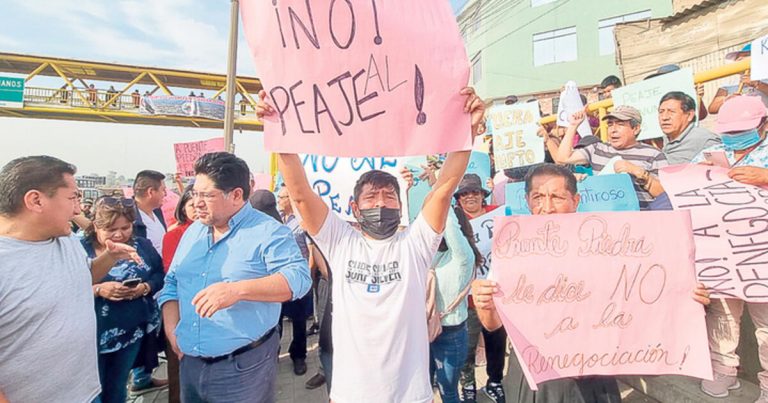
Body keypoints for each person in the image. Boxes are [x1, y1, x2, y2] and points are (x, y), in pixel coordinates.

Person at [262, 85, 486, 403]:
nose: (381, 202)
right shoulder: (340, 242)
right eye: (371, 196)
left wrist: (467, 133)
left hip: (411, 395)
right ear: (355, 208)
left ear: (400, 204)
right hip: (351, 395)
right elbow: (300, 193)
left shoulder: (416, 244)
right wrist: (279, 134)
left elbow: (444, 189)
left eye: (389, 195)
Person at [471, 163, 711, 403]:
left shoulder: (606, 245)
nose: (547, 207)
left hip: (595, 373)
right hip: (537, 376)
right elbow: (493, 326)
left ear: (575, 200)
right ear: (527, 200)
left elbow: (641, 295)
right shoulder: (512, 249)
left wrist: (685, 297)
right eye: (538, 197)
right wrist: (486, 306)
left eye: (556, 197)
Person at [158, 152, 311, 403]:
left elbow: (298, 279)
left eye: (206, 195)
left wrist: (237, 290)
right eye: (194, 193)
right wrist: (171, 327)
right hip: (190, 363)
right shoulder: (193, 232)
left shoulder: (268, 231)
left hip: (242, 369)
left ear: (236, 195)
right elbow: (172, 282)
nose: (196, 202)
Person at [0, 156, 141, 403]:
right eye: (72, 198)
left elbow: (79, 278)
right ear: (35, 200)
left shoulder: (66, 241)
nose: (78, 209)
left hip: (85, 393)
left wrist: (110, 257)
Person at [691, 96, 768, 402]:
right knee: (722, 315)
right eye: (730, 132)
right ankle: (724, 371)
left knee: (766, 325)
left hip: (761, 255)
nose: (734, 138)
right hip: (721, 253)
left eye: (742, 131)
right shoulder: (713, 152)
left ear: (763, 125)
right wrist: (698, 173)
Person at [81, 197, 164, 403]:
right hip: (90, 336)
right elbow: (64, 288)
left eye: (125, 227)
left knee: (117, 387)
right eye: (110, 229)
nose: (119, 234)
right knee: (92, 393)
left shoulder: (141, 245)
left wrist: (144, 288)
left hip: (130, 332)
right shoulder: (79, 249)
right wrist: (98, 289)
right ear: (95, 226)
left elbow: (159, 275)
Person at [453, 173, 508, 403]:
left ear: (482, 195)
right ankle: (468, 387)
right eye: (464, 193)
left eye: (474, 192)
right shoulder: (454, 220)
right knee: (467, 346)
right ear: (458, 198)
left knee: (496, 342)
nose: (470, 197)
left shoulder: (499, 213)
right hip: (468, 297)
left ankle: (495, 381)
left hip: (498, 293)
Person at [553, 105, 667, 209]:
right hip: (605, 219)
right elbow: (562, 158)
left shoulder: (654, 154)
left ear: (636, 128)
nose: (613, 130)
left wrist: (639, 173)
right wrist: (573, 126)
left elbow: (665, 195)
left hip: (641, 219)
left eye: (620, 124)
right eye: (610, 124)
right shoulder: (597, 149)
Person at [129, 169, 168, 394]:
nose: (165, 194)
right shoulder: (131, 217)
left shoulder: (156, 213)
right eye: (162, 190)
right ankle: (137, 376)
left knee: (151, 333)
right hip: (141, 287)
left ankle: (143, 377)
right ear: (150, 191)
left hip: (156, 283)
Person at [272, 186, 314, 376]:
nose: (279, 200)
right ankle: (273, 353)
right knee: (276, 319)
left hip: (298, 278)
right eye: (278, 197)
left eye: (282, 197)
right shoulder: (275, 220)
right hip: (277, 279)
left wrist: (309, 275)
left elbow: (311, 251)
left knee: (298, 321)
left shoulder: (302, 222)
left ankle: (298, 356)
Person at [161, 185, 197, 403]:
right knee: (178, 365)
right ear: (183, 207)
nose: (198, 208)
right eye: (191, 204)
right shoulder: (175, 233)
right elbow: (170, 273)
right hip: (182, 306)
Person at [658, 91, 721, 164]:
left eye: (671, 111)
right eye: (661, 112)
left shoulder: (706, 141)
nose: (664, 117)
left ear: (689, 115)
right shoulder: (664, 140)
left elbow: (722, 171)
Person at [709, 44, 768, 114]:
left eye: (745, 55)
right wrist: (726, 100)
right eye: (737, 58)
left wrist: (758, 84)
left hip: (762, 121)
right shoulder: (728, 83)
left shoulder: (765, 77)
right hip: (737, 122)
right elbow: (712, 109)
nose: (738, 60)